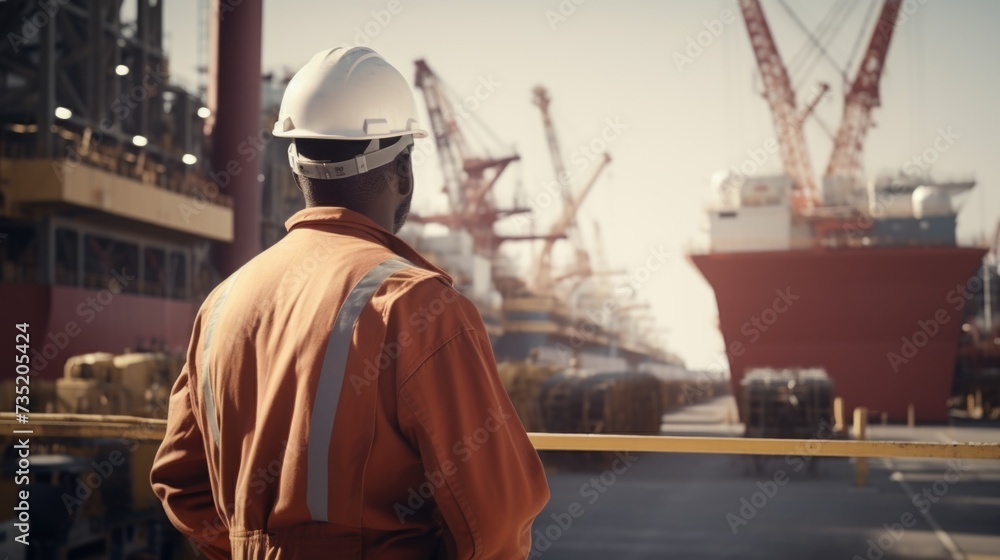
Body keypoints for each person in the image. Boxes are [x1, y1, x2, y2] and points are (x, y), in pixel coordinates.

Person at [150, 46, 549, 559]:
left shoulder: (223, 303)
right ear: (403, 171)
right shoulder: (417, 306)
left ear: (296, 167)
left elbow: (181, 481)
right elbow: (496, 518)